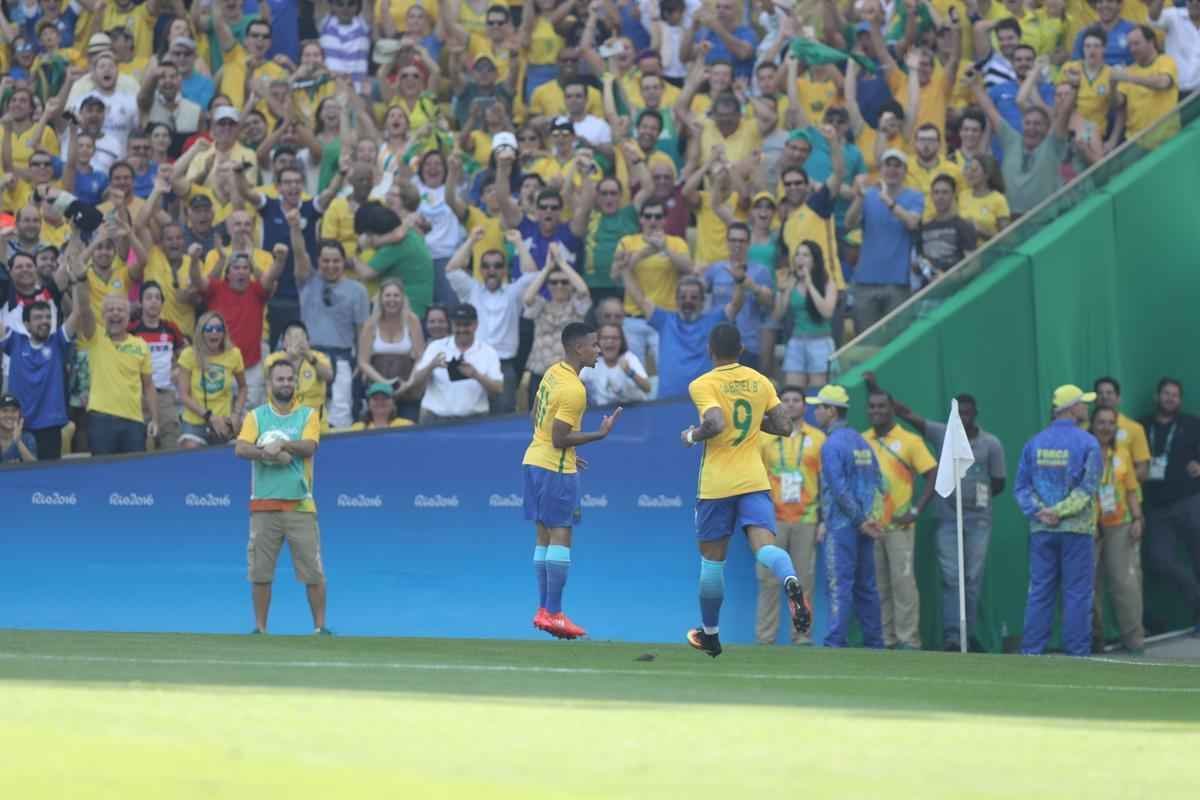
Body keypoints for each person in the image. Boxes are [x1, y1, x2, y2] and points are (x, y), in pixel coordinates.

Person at [681, 323, 810, 658]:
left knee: (712, 563)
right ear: (741, 350)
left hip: (717, 484)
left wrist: (692, 436)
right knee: (765, 550)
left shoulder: (702, 384)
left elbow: (716, 424)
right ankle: (791, 581)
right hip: (754, 480)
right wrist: (754, 423)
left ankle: (710, 635)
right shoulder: (761, 381)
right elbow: (784, 426)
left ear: (711, 350)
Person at [875, 378, 1008, 652]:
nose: (964, 418)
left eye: (968, 413)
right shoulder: (943, 433)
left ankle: (968, 635)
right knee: (950, 577)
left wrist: (973, 498)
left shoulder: (991, 444)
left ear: (976, 414)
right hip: (948, 519)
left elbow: (999, 482)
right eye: (960, 413)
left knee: (972, 579)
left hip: (979, 521)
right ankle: (951, 637)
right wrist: (876, 388)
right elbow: (908, 415)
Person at [523, 322, 622, 640]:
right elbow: (559, 437)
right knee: (561, 536)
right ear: (579, 349)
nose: (598, 349)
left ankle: (544, 610)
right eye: (594, 345)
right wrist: (600, 434)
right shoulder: (575, 390)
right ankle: (553, 613)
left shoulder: (552, 372)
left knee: (543, 538)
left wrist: (567, 450)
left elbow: (536, 414)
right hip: (555, 469)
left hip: (534, 462)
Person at [234, 358, 330, 636]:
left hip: (300, 505)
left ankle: (319, 628)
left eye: (290, 379)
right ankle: (261, 629)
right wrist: (266, 452)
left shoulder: (308, 415)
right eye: (280, 379)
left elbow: (310, 446)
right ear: (269, 384)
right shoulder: (256, 416)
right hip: (263, 506)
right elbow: (240, 449)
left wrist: (283, 444)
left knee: (313, 572)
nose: (286, 383)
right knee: (261, 574)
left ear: (296, 383)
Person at [1015, 384, 1102, 656]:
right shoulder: (1088, 443)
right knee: (1077, 593)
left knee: (1040, 591)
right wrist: (1061, 511)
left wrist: (1040, 512)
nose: (1086, 407)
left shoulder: (1034, 443)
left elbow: (1021, 487)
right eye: (1083, 403)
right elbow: (1088, 489)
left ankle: (1032, 652)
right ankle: (1076, 654)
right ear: (1072, 408)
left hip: (1042, 529)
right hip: (1077, 529)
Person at [862, 390, 937, 650]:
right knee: (878, 586)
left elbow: (933, 474)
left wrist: (915, 511)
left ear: (892, 408)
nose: (876, 411)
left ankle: (908, 640)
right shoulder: (863, 441)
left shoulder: (910, 441)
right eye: (871, 407)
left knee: (903, 584)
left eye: (882, 406)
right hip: (871, 527)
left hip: (899, 526)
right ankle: (886, 639)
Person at [815, 384, 885, 649]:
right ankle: (875, 644)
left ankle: (835, 643)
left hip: (843, 524)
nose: (816, 412)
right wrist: (870, 519)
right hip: (865, 524)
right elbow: (879, 482)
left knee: (839, 585)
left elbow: (838, 488)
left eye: (820, 407)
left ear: (832, 411)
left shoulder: (832, 445)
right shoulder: (862, 441)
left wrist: (858, 520)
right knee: (867, 586)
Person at [0, 245, 86, 461]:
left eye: (47, 318)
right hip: (19, 423)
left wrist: (76, 282)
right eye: (38, 318)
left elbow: (78, 313)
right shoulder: (14, 342)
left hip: (50, 423)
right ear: (27, 324)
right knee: (17, 480)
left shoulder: (58, 342)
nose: (44, 322)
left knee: (50, 479)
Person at [755, 386, 827, 646]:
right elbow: (755, 479)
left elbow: (825, 482)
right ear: (778, 405)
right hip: (771, 521)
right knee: (768, 580)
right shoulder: (764, 438)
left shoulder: (819, 439)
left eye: (797, 400)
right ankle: (765, 638)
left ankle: (802, 635)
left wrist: (823, 520)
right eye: (785, 400)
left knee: (803, 581)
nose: (791, 404)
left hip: (806, 519)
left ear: (804, 406)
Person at [616, 259, 745, 401]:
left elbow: (735, 306)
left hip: (704, 401)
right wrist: (625, 270)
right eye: (683, 297)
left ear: (703, 301)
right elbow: (640, 299)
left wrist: (739, 282)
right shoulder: (665, 320)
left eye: (694, 297)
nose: (688, 301)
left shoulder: (713, 320)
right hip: (668, 401)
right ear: (676, 300)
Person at [445, 229, 539, 413]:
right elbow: (451, 269)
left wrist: (519, 243)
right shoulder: (472, 290)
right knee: (468, 416)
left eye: (497, 266)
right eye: (487, 266)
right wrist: (471, 240)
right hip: (473, 362)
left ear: (504, 270)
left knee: (503, 417)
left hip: (503, 365)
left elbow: (532, 274)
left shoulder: (513, 293)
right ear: (480, 270)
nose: (492, 270)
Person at [1138, 378, 1200, 634]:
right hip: (1155, 507)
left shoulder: (1192, 424)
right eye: (1166, 393)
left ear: (1180, 400)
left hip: (1189, 501)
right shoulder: (1141, 426)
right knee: (1159, 559)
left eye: (1175, 394)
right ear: (1157, 396)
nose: (1170, 398)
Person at [970, 70, 1074, 217]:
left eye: (1038, 124)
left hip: (1044, 221)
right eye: (1028, 123)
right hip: (1012, 220)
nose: (1032, 128)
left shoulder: (1053, 145)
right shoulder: (1011, 139)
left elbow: (1065, 114)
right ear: (1022, 124)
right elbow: (990, 110)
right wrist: (975, 85)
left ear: (1047, 127)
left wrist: (1074, 88)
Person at [845, 151, 925, 334]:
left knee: (896, 342)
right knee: (865, 341)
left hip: (898, 283)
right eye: (888, 165)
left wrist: (889, 202)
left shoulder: (915, 197)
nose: (892, 170)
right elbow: (849, 223)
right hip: (865, 281)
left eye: (897, 166)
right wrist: (859, 197)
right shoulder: (869, 196)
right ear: (880, 169)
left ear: (905, 171)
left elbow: (913, 222)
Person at [296, 239, 369, 429]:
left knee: (340, 419)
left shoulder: (358, 290)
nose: (331, 266)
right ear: (318, 261)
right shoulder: (307, 281)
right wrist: (295, 226)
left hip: (342, 360)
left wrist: (362, 362)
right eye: (325, 261)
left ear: (344, 261)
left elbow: (362, 331)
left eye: (336, 261)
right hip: (309, 358)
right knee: (305, 419)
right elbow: (299, 253)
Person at [76, 289, 158, 456]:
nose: (115, 313)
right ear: (102, 316)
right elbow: (84, 308)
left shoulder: (140, 344)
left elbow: (149, 386)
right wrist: (80, 277)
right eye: (110, 310)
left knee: (133, 476)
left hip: (134, 421)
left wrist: (155, 419)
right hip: (101, 420)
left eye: (120, 310)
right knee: (103, 475)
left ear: (128, 317)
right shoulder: (95, 337)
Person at [1090, 405, 1145, 654]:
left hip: (1120, 525)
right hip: (1088, 526)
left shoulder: (1122, 453)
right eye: (1100, 422)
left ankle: (1134, 641)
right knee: (1089, 586)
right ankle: (1094, 640)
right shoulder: (1084, 451)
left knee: (1126, 584)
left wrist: (1137, 519)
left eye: (1110, 423)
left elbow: (1132, 491)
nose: (1105, 427)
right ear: (1092, 425)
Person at [406, 303, 503, 423]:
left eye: (466, 325)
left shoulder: (488, 351)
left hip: (474, 419)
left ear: (476, 325)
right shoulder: (436, 347)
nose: (462, 329)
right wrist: (431, 366)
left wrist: (476, 375)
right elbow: (415, 381)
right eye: (458, 325)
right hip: (435, 418)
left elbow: (498, 389)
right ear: (452, 325)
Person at [522, 243, 593, 406]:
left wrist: (562, 263)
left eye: (564, 282)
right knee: (540, 424)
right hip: (541, 374)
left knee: (569, 423)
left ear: (570, 285)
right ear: (548, 285)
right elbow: (527, 298)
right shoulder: (540, 306)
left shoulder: (576, 307)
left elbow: (583, 291)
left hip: (568, 375)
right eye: (554, 282)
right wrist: (547, 269)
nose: (559, 286)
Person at [128, 280, 187, 451]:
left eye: (157, 298)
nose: (153, 301)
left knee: (170, 443)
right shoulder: (132, 330)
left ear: (162, 303)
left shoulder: (171, 329)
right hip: (138, 396)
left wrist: (178, 370)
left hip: (165, 395)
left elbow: (184, 356)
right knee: (140, 446)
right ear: (140, 302)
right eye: (148, 298)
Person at [773, 240, 838, 389]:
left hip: (820, 343)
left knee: (816, 394)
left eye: (806, 255)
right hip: (796, 342)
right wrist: (781, 291)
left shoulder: (827, 283)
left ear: (815, 260)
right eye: (798, 254)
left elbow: (827, 312)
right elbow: (778, 315)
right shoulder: (792, 282)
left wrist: (810, 285)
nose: (800, 259)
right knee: (793, 391)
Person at [176, 311, 247, 449]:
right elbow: (183, 395)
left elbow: (243, 387)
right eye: (209, 329)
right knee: (191, 448)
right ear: (201, 332)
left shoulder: (234, 354)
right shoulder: (189, 355)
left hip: (224, 422)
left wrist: (236, 414)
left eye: (219, 329)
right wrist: (210, 417)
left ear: (224, 333)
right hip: (195, 421)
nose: (214, 333)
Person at [917, 175, 978, 280]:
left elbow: (974, 264)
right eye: (936, 192)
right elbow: (921, 262)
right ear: (931, 196)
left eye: (945, 192)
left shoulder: (963, 226)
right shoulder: (924, 227)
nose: (940, 197)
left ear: (954, 195)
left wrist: (956, 278)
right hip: (928, 289)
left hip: (956, 290)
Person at [1093, 376, 1150, 482]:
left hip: (1124, 496)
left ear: (1118, 398)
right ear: (1094, 399)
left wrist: (1118, 483)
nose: (1104, 396)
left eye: (1109, 393)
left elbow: (1143, 469)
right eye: (1100, 393)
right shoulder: (1084, 429)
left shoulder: (1134, 428)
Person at [579, 323, 651, 406]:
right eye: (605, 338)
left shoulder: (629, 358)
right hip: (604, 413)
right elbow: (576, 383)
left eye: (615, 338)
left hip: (633, 409)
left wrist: (630, 372)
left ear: (621, 342)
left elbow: (647, 388)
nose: (610, 341)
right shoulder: (592, 361)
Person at [1149, 0, 1200, 98]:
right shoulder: (1174, 15)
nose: (1194, 3)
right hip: (1174, 92)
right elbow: (1153, 19)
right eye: (1191, 0)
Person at [350, 382, 415, 431]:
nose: (380, 402)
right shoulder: (357, 428)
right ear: (368, 403)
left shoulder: (407, 426)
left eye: (385, 398)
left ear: (393, 403)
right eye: (375, 398)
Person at [0, 393, 37, 463]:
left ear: (19, 414)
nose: (9, 415)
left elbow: (35, 468)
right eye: (4, 410)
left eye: (14, 411)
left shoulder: (27, 438)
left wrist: (18, 442)